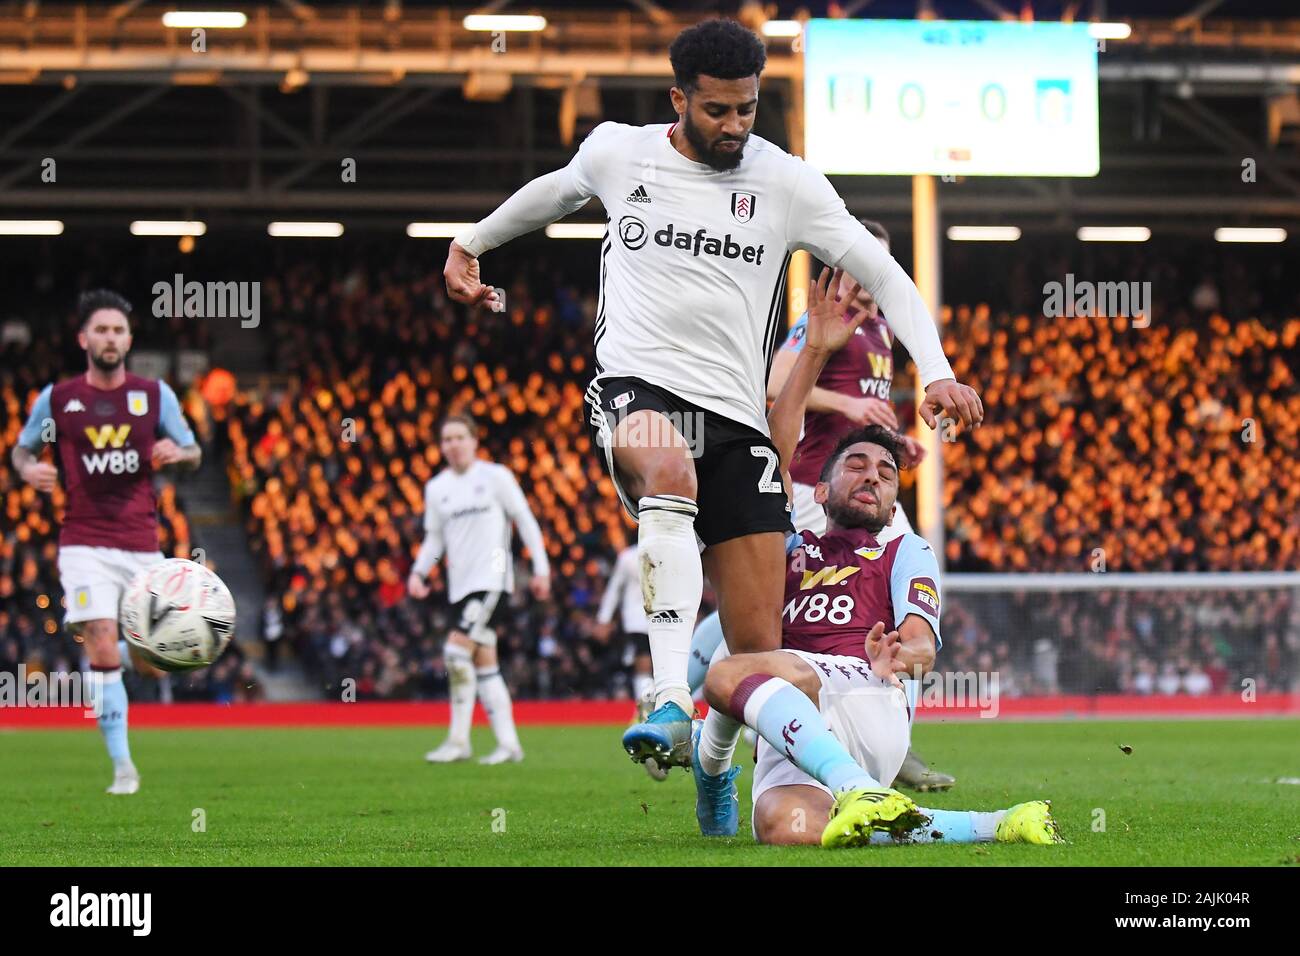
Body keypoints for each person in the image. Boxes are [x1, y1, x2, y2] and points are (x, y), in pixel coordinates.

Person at [443, 19, 982, 771]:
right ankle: (666, 697)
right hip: (635, 388)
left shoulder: (787, 182)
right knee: (669, 473)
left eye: (748, 110)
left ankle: (712, 767)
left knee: (756, 658)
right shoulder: (617, 152)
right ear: (679, 99)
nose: (734, 126)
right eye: (717, 110)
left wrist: (936, 368)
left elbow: (885, 275)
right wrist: (473, 241)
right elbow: (554, 194)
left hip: (737, 422)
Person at [690, 269, 1057, 846]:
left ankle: (714, 770)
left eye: (886, 474)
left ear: (892, 504)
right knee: (786, 829)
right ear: (818, 489)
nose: (873, 477)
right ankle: (992, 825)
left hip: (865, 690)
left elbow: (920, 643)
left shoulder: (905, 548)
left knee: (733, 669)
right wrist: (815, 350)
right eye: (856, 466)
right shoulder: (788, 545)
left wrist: (903, 657)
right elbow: (776, 449)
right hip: (793, 718)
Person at [696, 218, 957, 791]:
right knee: (771, 605)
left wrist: (892, 446)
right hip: (819, 487)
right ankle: (688, 704)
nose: (872, 278)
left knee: (896, 589)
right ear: (840, 268)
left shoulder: (882, 330)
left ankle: (892, 732)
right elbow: (774, 382)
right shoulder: (821, 326)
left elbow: (858, 418)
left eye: (881, 266)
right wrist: (848, 404)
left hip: (860, 481)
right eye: (862, 264)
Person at [12, 290, 202, 795]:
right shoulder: (56, 400)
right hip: (83, 542)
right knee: (98, 634)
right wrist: (29, 467)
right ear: (83, 338)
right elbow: (21, 450)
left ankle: (122, 650)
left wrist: (177, 453)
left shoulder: (155, 395)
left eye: (118, 330)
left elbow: (195, 451)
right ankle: (123, 766)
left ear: (130, 338)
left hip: (142, 543)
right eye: (101, 330)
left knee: (149, 659)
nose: (110, 338)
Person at [409, 413, 551, 765]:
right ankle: (509, 744)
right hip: (460, 587)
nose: (453, 445)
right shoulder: (437, 488)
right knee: (484, 661)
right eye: (447, 439)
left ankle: (459, 741)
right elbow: (435, 539)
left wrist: (541, 568)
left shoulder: (495, 477)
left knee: (455, 653)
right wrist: (418, 572)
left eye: (460, 437)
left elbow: (525, 521)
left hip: (492, 580)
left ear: (474, 440)